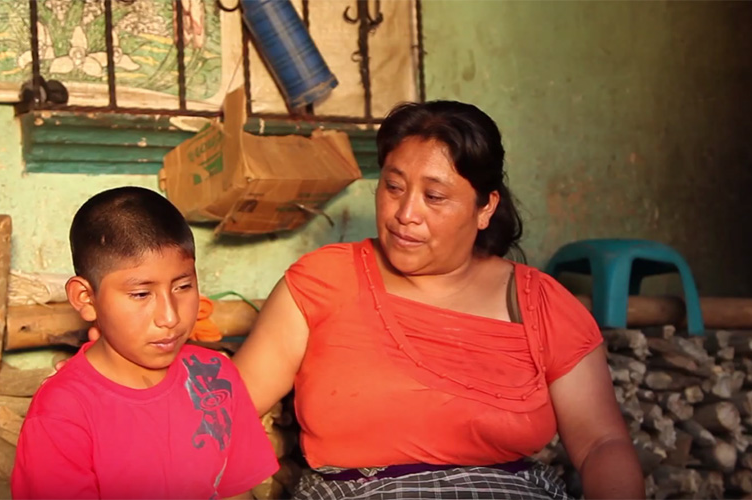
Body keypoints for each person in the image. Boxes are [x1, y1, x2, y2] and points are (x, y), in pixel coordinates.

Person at [231, 100, 646, 499]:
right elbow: (227, 414)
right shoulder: (323, 281)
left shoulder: (539, 304)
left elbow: (601, 443)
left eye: (434, 197)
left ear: (485, 209)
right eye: (393, 187)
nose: (405, 213)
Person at [12, 187, 278, 499]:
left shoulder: (214, 376)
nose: (169, 317)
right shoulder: (64, 411)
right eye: (141, 294)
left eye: (183, 286)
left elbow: (236, 492)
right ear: (86, 298)